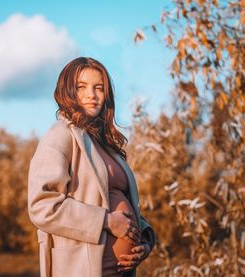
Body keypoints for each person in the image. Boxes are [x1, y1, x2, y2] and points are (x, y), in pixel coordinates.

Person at [28, 57, 156, 277]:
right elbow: (42, 206)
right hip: (83, 267)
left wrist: (144, 241)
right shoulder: (60, 136)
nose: (92, 95)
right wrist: (106, 221)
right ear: (67, 91)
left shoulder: (104, 143)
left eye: (98, 88)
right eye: (81, 87)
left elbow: (122, 205)